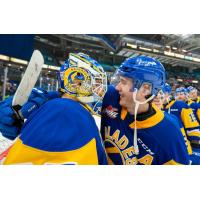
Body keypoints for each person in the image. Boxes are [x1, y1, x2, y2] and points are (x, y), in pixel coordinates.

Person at [1, 52, 108, 165]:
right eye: (95, 84)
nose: (100, 91)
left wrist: (50, 96)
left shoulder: (60, 106)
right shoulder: (66, 111)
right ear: (74, 80)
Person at [100, 55, 190, 165]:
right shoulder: (111, 96)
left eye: (123, 82)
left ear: (145, 89)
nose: (117, 87)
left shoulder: (169, 133)